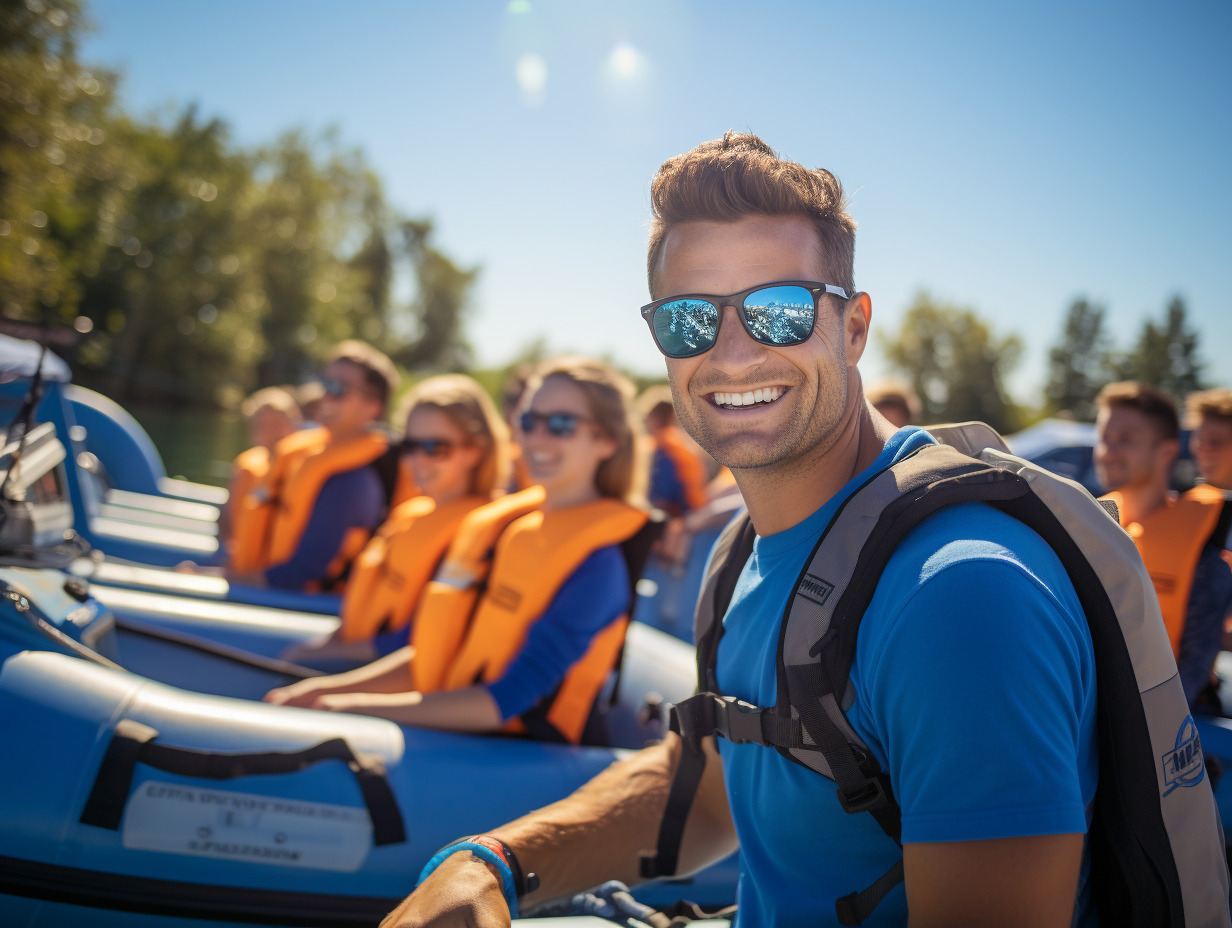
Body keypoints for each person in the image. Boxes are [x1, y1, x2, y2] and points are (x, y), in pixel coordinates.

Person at [389, 133, 1100, 927]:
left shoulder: (960, 597)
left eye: (781, 310)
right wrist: (492, 862)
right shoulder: (741, 556)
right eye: (691, 321)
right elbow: (712, 786)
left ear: (854, 328)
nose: (731, 353)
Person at [264, 357, 649, 745]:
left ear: (608, 440)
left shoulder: (600, 566)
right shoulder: (510, 530)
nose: (537, 439)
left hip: (526, 755)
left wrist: (351, 707)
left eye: (562, 424)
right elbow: (438, 651)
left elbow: (508, 700)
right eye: (529, 422)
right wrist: (330, 692)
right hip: (461, 732)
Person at [279, 374, 509, 667]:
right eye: (409, 446)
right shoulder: (411, 515)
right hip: (356, 656)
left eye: (435, 448)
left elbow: (416, 641)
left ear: (474, 451)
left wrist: (323, 662)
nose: (418, 461)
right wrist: (324, 647)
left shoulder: (479, 536)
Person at [1095, 382, 1232, 708]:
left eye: (1126, 439)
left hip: (1163, 725)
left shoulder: (1204, 549)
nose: (1107, 451)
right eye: (1103, 438)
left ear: (1167, 451)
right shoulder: (1088, 522)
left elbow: (1191, 671)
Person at [227, 340, 399, 591]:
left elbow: (303, 571)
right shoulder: (309, 454)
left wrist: (224, 579)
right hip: (269, 585)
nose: (325, 396)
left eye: (339, 388)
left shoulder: (351, 481)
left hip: (302, 603)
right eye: (324, 384)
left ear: (373, 407)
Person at [219, 386, 302, 549]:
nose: (272, 433)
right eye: (263, 427)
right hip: (243, 555)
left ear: (295, 425)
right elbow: (226, 524)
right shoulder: (246, 468)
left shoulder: (303, 468)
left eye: (278, 425)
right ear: (253, 432)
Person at [639, 385, 709, 517]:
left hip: (682, 511)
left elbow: (664, 493)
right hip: (696, 505)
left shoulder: (662, 447)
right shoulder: (679, 441)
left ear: (655, 417)